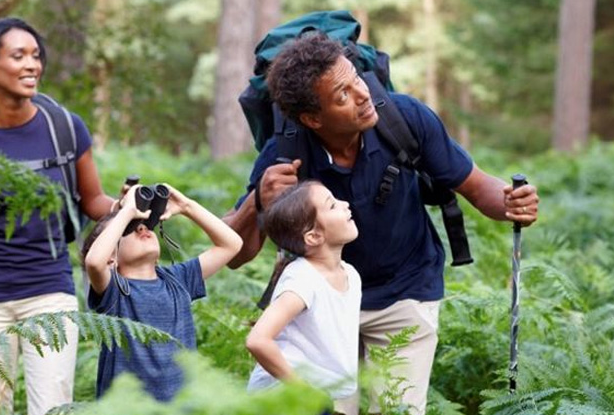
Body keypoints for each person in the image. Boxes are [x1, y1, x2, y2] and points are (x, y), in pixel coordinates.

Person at [224, 33, 539, 414]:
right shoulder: (285, 153)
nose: (362, 95)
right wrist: (258, 199)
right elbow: (236, 256)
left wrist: (509, 202)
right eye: (342, 95)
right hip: (323, 305)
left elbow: (475, 186)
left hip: (406, 289)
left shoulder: (403, 118)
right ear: (312, 118)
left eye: (356, 78)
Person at [0, 18, 116, 415]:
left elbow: (93, 202)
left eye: (36, 56)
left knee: (53, 409)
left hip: (49, 293)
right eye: (18, 56)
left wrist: (127, 206)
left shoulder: (66, 128)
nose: (32, 65)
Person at [81, 183, 243, 401]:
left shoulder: (177, 280)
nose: (142, 228)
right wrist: (126, 211)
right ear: (111, 257)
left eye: (145, 225)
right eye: (130, 228)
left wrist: (186, 206)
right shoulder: (115, 290)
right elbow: (93, 262)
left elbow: (231, 244)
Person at [245, 181, 361, 415]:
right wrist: (303, 391)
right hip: (282, 398)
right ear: (314, 236)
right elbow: (257, 340)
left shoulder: (350, 274)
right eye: (332, 205)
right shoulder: (304, 279)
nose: (345, 204)